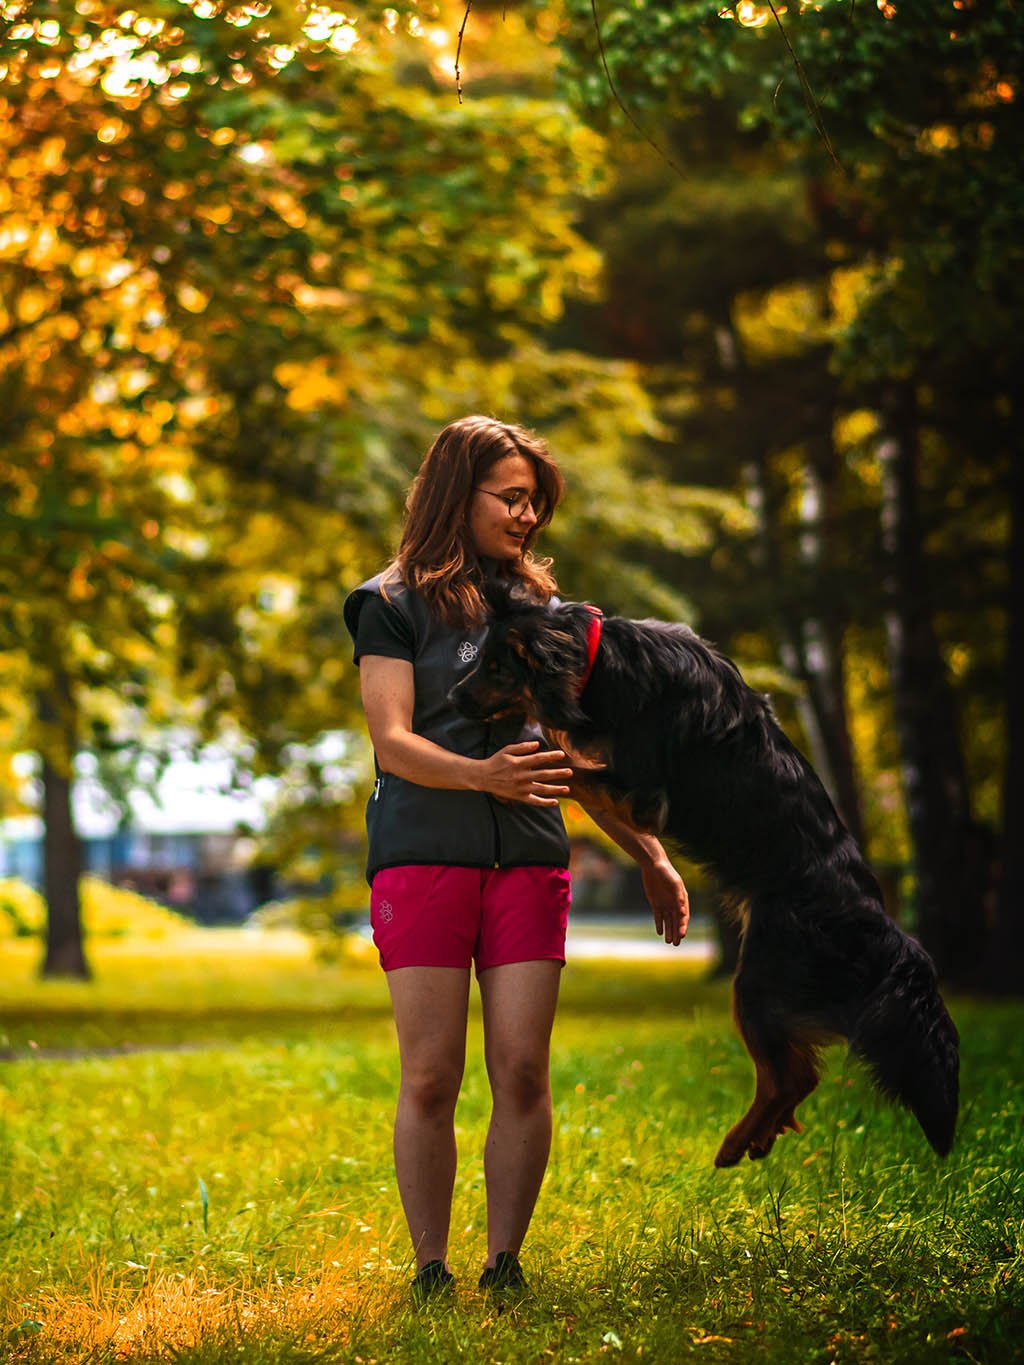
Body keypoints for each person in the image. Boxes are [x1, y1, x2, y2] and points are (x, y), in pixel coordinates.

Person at [343, 415, 689, 1303]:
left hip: (531, 861)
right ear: (457, 495)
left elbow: (568, 753)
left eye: (535, 501)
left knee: (523, 1068)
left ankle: (504, 1263)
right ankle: (430, 1268)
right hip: (423, 857)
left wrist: (651, 856)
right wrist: (484, 776)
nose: (528, 515)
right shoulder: (387, 603)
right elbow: (392, 742)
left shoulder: (541, 611)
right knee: (430, 1073)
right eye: (512, 497)